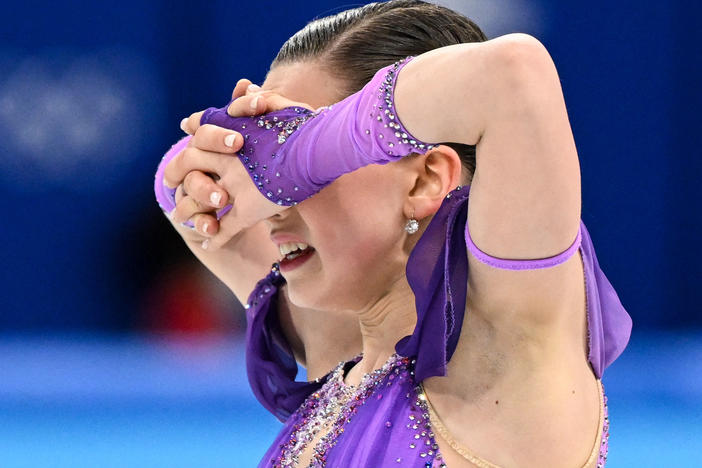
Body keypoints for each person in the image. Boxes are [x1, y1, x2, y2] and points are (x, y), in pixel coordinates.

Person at [154, 1, 632, 466]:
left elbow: (513, 73)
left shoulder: (502, 347)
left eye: (303, 172)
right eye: (274, 176)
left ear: (424, 180)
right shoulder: (338, 338)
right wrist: (240, 149)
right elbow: (176, 185)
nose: (274, 205)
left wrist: (297, 153)